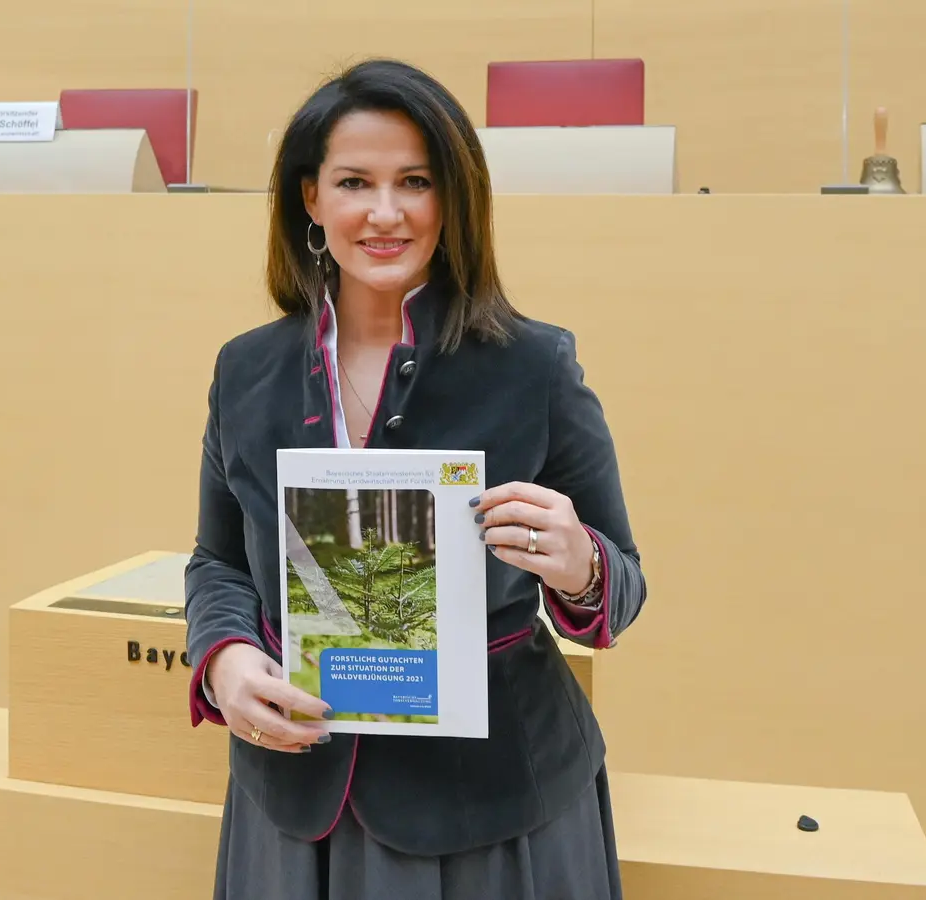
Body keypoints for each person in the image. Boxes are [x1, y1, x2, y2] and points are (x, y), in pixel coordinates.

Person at [183, 58, 647, 899]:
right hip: (297, 793)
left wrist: (579, 564)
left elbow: (622, 585)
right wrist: (224, 660)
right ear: (310, 200)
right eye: (354, 181)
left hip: (493, 808)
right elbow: (216, 562)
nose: (385, 212)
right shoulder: (245, 371)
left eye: (416, 182)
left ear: (452, 201)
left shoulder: (534, 365)